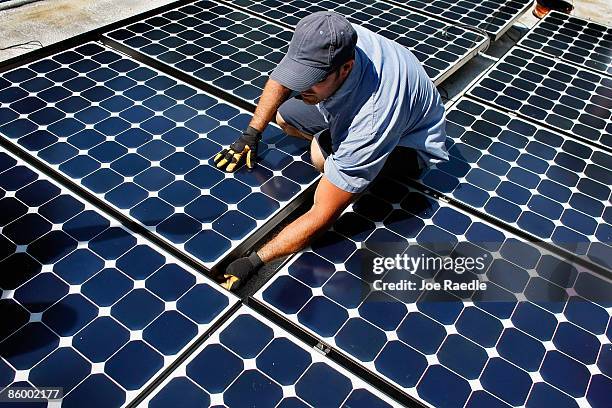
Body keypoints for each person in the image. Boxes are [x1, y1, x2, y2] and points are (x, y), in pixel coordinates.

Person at [214, 11, 449, 290]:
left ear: (346, 68)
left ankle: (350, 159)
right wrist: (251, 134)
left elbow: (323, 213)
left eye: (312, 78)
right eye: (300, 74)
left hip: (408, 145)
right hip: (355, 102)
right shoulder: (329, 42)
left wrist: (255, 260)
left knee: (318, 154)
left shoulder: (372, 119)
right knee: (283, 116)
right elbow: (282, 80)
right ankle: (337, 139)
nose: (301, 87)